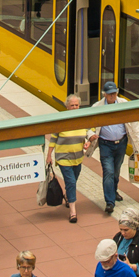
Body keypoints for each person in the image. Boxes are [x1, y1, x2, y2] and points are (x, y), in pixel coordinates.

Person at [47, 95, 90, 225]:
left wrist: (88, 142)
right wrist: (49, 155)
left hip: (77, 158)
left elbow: (89, 133)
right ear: (67, 107)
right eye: (72, 105)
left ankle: (67, 196)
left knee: (73, 181)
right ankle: (72, 211)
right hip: (63, 158)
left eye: (77, 105)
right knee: (71, 182)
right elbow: (53, 139)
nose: (75, 107)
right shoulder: (61, 120)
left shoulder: (82, 120)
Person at [92, 82, 130, 215]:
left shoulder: (124, 104)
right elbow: (88, 124)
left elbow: (134, 123)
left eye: (114, 93)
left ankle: (113, 191)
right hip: (105, 144)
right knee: (108, 171)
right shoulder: (97, 107)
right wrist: (90, 136)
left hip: (121, 143)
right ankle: (109, 202)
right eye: (109, 94)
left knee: (116, 170)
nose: (112, 96)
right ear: (104, 95)